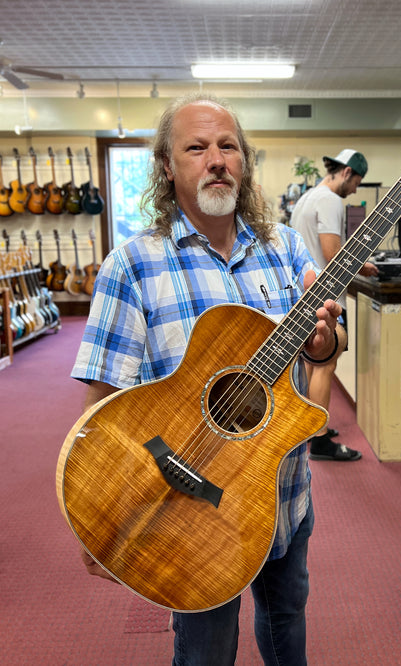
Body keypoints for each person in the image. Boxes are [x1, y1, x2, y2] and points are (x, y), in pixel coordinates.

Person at [70, 93, 343, 666]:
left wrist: (323, 342)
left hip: (282, 490)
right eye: (196, 147)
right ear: (168, 167)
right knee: (206, 650)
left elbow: (320, 349)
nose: (216, 158)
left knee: (287, 618)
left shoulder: (285, 250)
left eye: (228, 145)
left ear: (244, 161)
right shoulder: (133, 265)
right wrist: (101, 515)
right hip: (188, 504)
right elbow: (103, 408)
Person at [290, 149, 378, 461]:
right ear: (346, 173)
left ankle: (313, 427)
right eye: (356, 182)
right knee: (325, 363)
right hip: (323, 297)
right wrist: (362, 265)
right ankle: (321, 439)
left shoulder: (308, 197)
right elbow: (331, 253)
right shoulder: (329, 200)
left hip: (303, 294)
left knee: (313, 365)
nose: (355, 189)